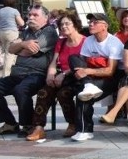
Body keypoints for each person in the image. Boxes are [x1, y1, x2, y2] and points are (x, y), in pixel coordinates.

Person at [0, 4, 58, 137]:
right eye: (29, 15)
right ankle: (10, 123)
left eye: (35, 15)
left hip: (36, 74)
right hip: (17, 74)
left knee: (20, 90)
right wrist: (24, 44)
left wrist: (20, 48)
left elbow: (30, 50)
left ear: (45, 18)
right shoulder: (26, 32)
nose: (31, 17)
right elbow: (11, 49)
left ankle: (28, 125)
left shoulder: (49, 32)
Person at [27, 12, 85, 141]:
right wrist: (50, 74)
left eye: (67, 23)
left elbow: (82, 64)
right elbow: (54, 61)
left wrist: (63, 75)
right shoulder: (61, 42)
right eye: (61, 24)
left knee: (63, 94)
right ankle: (38, 128)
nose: (64, 26)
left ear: (75, 25)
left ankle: (72, 123)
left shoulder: (85, 41)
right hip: (61, 75)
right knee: (43, 92)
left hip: (76, 77)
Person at [67, 13, 123, 142]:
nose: (91, 24)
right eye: (90, 22)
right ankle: (87, 85)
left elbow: (110, 71)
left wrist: (87, 71)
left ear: (105, 26)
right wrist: (86, 73)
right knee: (73, 58)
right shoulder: (88, 40)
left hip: (112, 78)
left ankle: (84, 130)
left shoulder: (114, 43)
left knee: (83, 95)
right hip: (91, 77)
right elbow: (82, 62)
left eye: (95, 22)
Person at [0, 0, 24, 77]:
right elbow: (21, 23)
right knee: (9, 53)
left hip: (1, 32)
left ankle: (7, 71)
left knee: (4, 51)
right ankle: (6, 75)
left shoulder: (0, 11)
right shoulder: (14, 11)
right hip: (11, 33)